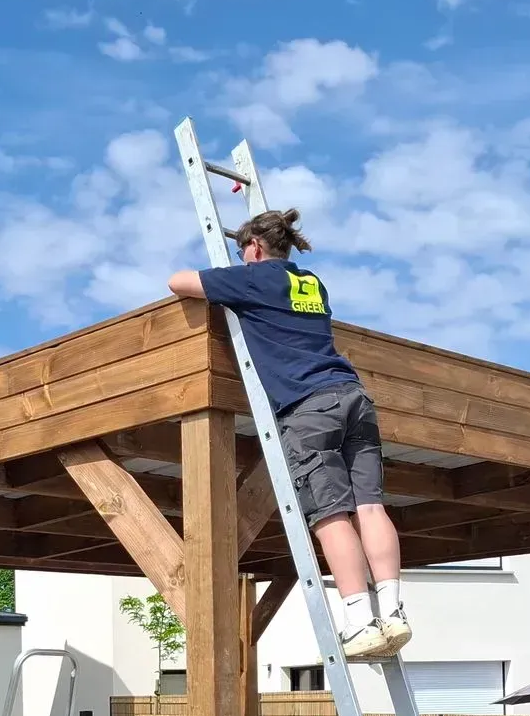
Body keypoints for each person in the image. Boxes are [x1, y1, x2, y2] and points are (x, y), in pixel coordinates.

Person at [167, 208, 409, 661]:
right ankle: (393, 612)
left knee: (330, 515)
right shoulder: (312, 283)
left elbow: (178, 282)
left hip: (308, 407)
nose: (241, 257)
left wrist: (233, 277)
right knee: (370, 506)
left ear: (255, 247)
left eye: (243, 250)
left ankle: (360, 621)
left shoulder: (255, 279)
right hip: (353, 395)